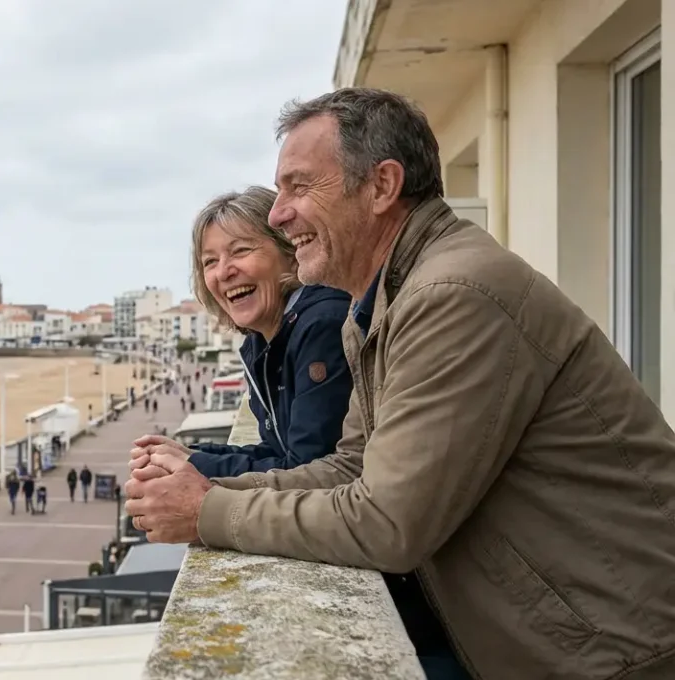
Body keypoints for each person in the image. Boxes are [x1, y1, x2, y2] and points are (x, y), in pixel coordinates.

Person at [124, 88, 675, 679]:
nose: (280, 214)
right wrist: (200, 487)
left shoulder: (453, 295)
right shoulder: (387, 301)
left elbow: (388, 524)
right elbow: (349, 467)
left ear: (382, 187)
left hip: (618, 651)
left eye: (299, 186)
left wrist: (207, 511)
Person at [131, 186, 353, 479]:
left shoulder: (321, 327)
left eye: (241, 251)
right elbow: (278, 452)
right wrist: (188, 454)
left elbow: (305, 473)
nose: (223, 272)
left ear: (291, 253)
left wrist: (192, 466)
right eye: (210, 261)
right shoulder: (265, 341)